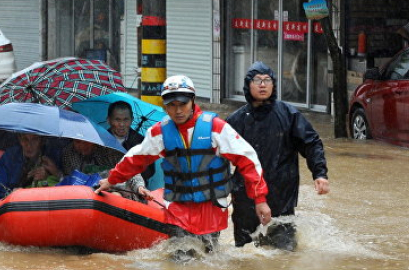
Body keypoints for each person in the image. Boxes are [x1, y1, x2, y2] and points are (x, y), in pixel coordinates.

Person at [95, 75, 271, 253]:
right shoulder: (160, 133)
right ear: (165, 106)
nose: (177, 111)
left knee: (210, 263)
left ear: (193, 101)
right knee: (180, 260)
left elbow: (247, 160)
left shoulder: (216, 128)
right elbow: (136, 158)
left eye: (182, 104)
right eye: (171, 105)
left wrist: (260, 200)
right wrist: (111, 180)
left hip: (211, 209)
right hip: (178, 210)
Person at [226, 62, 329, 251]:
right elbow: (219, 157)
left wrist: (319, 173)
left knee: (284, 255)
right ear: (248, 85)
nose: (263, 85)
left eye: (267, 80)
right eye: (257, 80)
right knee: (245, 256)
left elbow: (311, 143)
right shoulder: (235, 121)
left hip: (282, 197)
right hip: (245, 199)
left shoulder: (289, 115)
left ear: (274, 85)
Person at [0, 133, 63, 219]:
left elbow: (68, 185)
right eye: (25, 139)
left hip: (43, 207)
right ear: (19, 139)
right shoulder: (10, 157)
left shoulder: (54, 155)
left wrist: (53, 173)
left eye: (34, 139)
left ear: (42, 141)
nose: (29, 145)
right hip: (13, 206)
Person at [62, 138, 151, 200]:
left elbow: (129, 168)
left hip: (115, 189)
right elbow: (68, 177)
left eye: (86, 142)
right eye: (78, 142)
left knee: (115, 197)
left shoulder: (109, 151)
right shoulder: (68, 153)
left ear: (93, 141)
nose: (82, 146)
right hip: (83, 192)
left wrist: (139, 187)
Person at [106, 101, 155, 184]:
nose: (121, 124)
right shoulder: (102, 139)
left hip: (134, 188)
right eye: (117, 119)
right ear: (109, 120)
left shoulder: (142, 142)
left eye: (126, 120)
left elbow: (150, 172)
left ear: (132, 119)